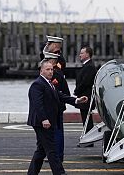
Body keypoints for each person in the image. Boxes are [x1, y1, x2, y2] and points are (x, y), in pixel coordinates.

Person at [27, 59, 87, 175]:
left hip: (47, 121)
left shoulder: (49, 84)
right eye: (47, 69)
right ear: (41, 71)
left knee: (41, 150)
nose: (50, 72)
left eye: (51, 69)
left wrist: (76, 100)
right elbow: (37, 104)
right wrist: (44, 119)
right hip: (41, 123)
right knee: (52, 150)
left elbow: (61, 96)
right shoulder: (37, 84)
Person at [41, 35, 70, 163]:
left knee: (57, 131)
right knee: (55, 131)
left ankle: (57, 155)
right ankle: (55, 154)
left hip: (56, 104)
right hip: (56, 104)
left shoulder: (57, 66)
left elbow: (57, 91)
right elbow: (43, 54)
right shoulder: (55, 59)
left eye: (50, 43)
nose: (48, 45)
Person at [74, 46, 97, 147]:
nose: (80, 55)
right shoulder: (87, 66)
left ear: (87, 54)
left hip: (86, 97)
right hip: (84, 96)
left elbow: (85, 82)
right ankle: (88, 139)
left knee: (87, 119)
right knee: (86, 119)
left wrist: (76, 91)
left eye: (82, 53)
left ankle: (89, 140)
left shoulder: (90, 67)